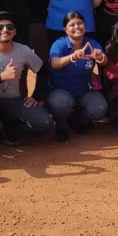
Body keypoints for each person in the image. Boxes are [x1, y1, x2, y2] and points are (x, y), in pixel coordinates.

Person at [0, 12, 54, 155]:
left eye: (9, 27)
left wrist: (35, 96)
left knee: (45, 124)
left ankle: (5, 127)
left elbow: (43, 71)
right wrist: (3, 76)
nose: (5, 30)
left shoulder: (23, 50)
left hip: (13, 102)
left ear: (14, 31)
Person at [48, 12, 109, 141]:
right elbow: (54, 63)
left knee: (99, 109)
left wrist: (100, 57)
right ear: (65, 29)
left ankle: (77, 118)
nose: (77, 27)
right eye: (72, 25)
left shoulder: (92, 43)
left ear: (85, 26)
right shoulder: (60, 44)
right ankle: (61, 125)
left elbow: (105, 61)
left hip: (83, 91)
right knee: (61, 104)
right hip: (60, 91)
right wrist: (71, 57)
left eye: (80, 23)